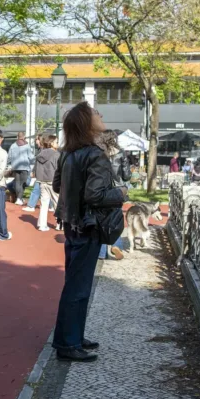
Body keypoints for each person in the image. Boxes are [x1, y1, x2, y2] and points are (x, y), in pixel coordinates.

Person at [52, 102, 126, 362]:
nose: (100, 115)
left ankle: (72, 336)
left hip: (71, 224)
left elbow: (58, 185)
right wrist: (121, 193)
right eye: (95, 113)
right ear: (86, 122)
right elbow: (96, 195)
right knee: (79, 287)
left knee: (75, 284)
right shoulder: (95, 154)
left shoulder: (67, 153)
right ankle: (68, 343)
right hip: (88, 225)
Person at [96, 130, 130, 260]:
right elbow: (126, 176)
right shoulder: (121, 153)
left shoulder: (98, 153)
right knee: (116, 218)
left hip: (102, 189)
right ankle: (116, 245)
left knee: (101, 220)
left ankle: (101, 252)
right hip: (118, 190)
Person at [32, 135, 60, 231]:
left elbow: (36, 168)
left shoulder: (40, 154)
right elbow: (59, 169)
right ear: (51, 143)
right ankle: (60, 224)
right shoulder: (56, 155)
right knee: (57, 203)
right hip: (53, 181)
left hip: (42, 181)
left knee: (44, 204)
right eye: (56, 142)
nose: (58, 144)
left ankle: (42, 225)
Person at [7, 132, 34, 205]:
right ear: (24, 137)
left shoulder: (13, 145)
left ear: (17, 137)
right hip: (24, 167)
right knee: (23, 183)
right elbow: (31, 157)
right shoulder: (27, 145)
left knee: (17, 183)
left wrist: (9, 164)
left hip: (15, 167)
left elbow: (9, 157)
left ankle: (19, 198)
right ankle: (19, 198)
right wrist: (33, 162)